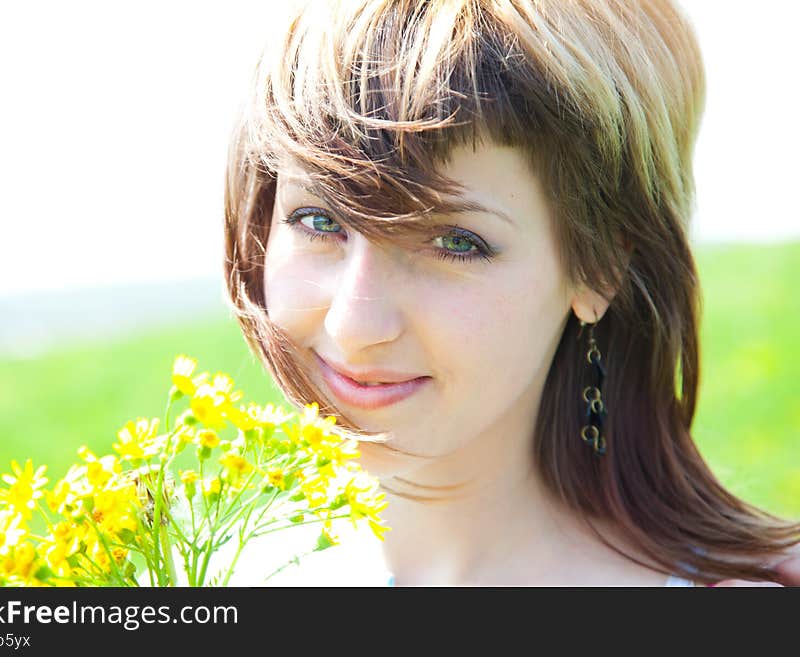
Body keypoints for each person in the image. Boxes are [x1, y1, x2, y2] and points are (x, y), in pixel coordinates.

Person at [221, 0, 800, 585]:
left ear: (599, 267)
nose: (353, 325)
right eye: (319, 222)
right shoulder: (208, 570)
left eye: (454, 241)